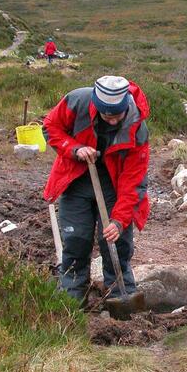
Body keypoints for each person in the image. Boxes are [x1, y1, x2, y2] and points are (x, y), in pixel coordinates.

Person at [43, 76, 150, 306]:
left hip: (114, 183)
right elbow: (50, 127)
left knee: (115, 241)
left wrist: (119, 221)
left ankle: (121, 295)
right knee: (76, 238)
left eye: (117, 116)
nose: (112, 122)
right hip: (77, 177)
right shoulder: (77, 101)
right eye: (106, 116)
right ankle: (72, 297)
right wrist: (74, 148)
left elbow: (134, 181)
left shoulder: (137, 126)